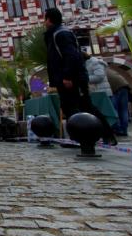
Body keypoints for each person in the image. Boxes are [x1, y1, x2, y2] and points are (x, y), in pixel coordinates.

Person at [43, 8, 116, 145]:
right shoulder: (57, 33)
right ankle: (78, 136)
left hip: (71, 78)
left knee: (84, 106)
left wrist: (68, 76)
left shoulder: (60, 34)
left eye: (45, 19)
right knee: (71, 106)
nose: (44, 22)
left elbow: (71, 56)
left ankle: (105, 134)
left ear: (49, 20)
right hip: (68, 77)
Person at [106, 67, 131, 138]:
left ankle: (118, 129)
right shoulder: (109, 69)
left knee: (114, 109)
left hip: (115, 88)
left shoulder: (96, 69)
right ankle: (124, 130)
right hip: (124, 86)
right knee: (124, 110)